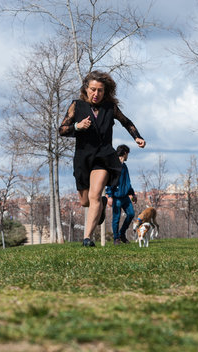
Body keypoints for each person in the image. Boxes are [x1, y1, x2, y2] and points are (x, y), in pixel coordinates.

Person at [59, 71, 145, 247]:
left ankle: (87, 238)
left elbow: (126, 122)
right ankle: (102, 205)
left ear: (105, 92)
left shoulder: (110, 107)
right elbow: (62, 129)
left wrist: (137, 137)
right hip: (83, 158)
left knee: (95, 195)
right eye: (92, 89)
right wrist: (78, 126)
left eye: (100, 90)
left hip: (104, 157)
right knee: (85, 201)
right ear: (86, 88)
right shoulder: (77, 105)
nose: (96, 94)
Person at [105, 144, 137, 244]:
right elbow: (109, 182)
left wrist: (132, 194)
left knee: (131, 214)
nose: (128, 156)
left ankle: (122, 233)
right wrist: (109, 196)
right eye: (128, 154)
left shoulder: (125, 166)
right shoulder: (114, 166)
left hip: (125, 197)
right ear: (125, 153)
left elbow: (127, 182)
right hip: (116, 197)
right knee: (116, 218)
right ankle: (116, 238)